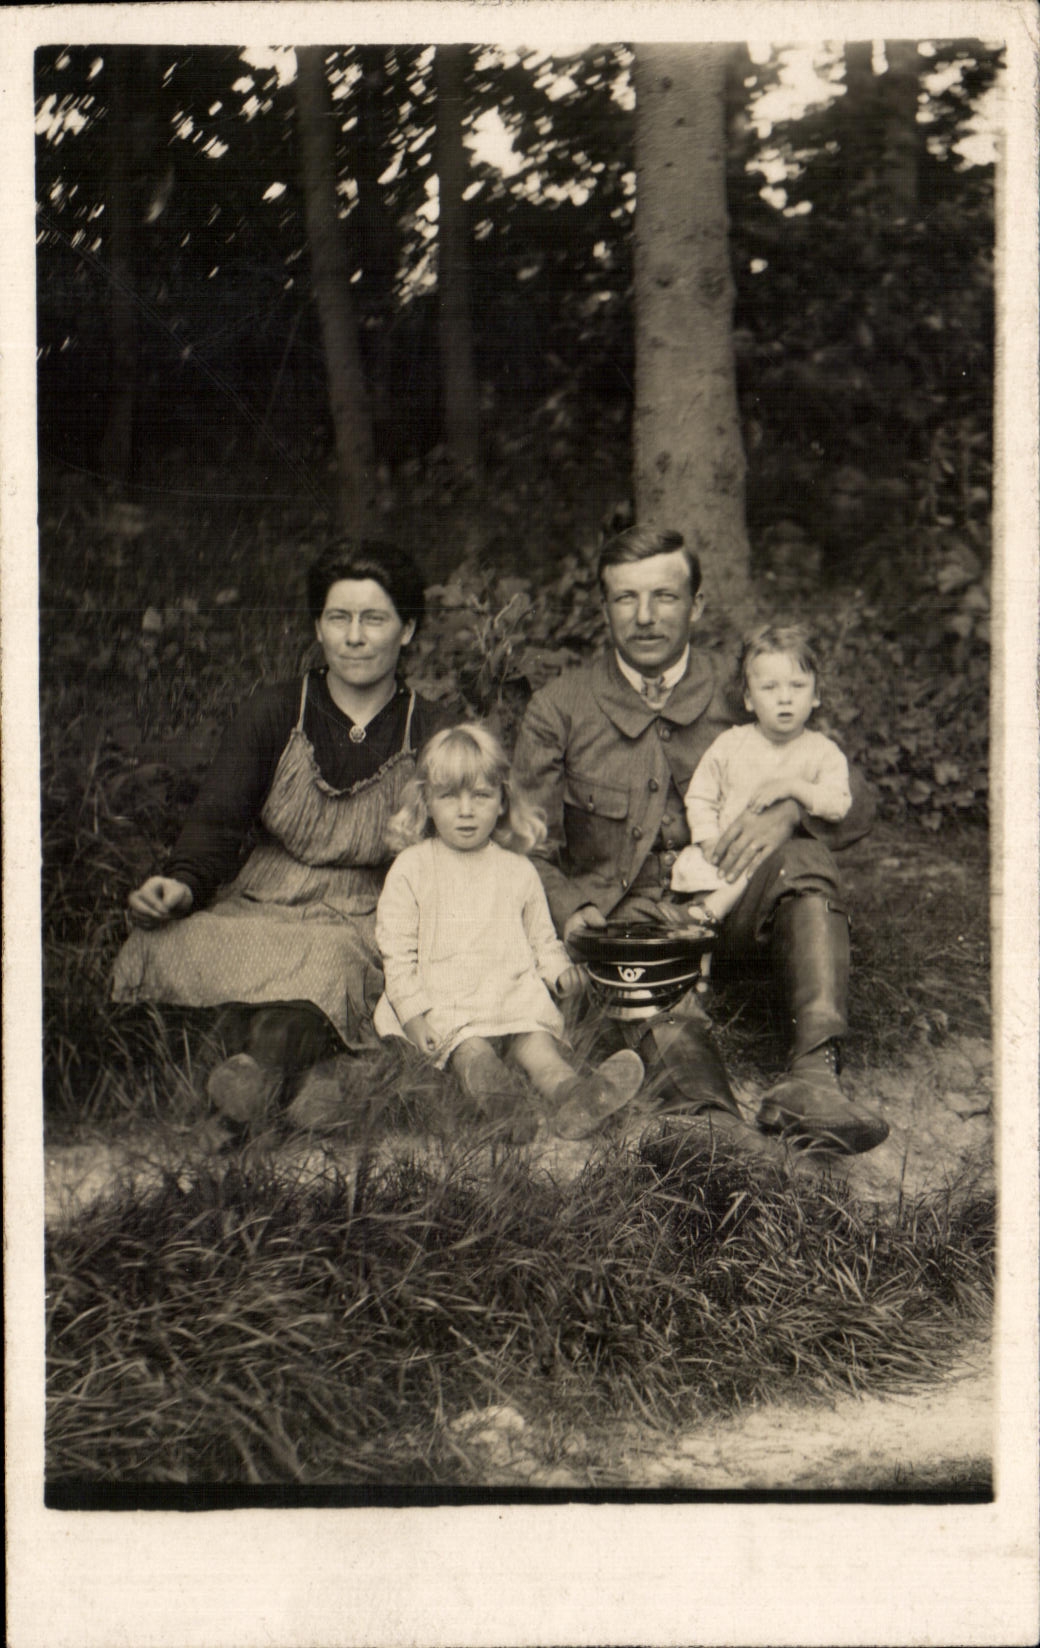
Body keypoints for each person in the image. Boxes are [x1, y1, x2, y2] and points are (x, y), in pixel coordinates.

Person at [512, 524, 889, 1154]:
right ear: (604, 609)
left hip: (737, 904)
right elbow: (522, 838)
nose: (645, 616)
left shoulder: (745, 683)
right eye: (626, 599)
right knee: (642, 965)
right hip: (629, 920)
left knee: (803, 857)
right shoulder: (560, 706)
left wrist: (792, 808)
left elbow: (858, 797)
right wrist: (573, 912)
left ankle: (814, 1078)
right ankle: (708, 1119)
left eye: (664, 596)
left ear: (697, 605)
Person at [112, 538, 448, 1125]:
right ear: (318, 628)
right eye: (337, 618)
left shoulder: (434, 726)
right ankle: (305, 1082)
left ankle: (251, 1082)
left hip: (367, 909)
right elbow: (218, 819)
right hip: (264, 899)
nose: (354, 636)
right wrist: (181, 884)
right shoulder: (274, 711)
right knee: (163, 943)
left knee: (328, 963)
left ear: (408, 631)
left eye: (375, 619)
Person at [373, 723, 646, 1140]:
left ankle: (573, 1095)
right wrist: (412, 1016)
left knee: (538, 1046)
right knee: (471, 1050)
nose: (466, 811)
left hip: (508, 993)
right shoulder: (412, 867)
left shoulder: (518, 869)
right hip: (445, 998)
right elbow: (397, 951)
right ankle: (501, 1105)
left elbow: (542, 940)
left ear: (503, 799)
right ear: (426, 800)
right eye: (449, 796)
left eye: (481, 795)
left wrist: (559, 974)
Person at [670, 622, 851, 929]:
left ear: (816, 695)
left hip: (778, 870)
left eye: (797, 686)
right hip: (724, 856)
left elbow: (838, 804)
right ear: (749, 699)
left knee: (778, 874)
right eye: (769, 687)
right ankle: (700, 969)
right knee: (703, 893)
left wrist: (794, 788)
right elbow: (701, 795)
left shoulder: (822, 752)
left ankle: (716, 911)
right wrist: (708, 838)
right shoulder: (731, 744)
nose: (785, 698)